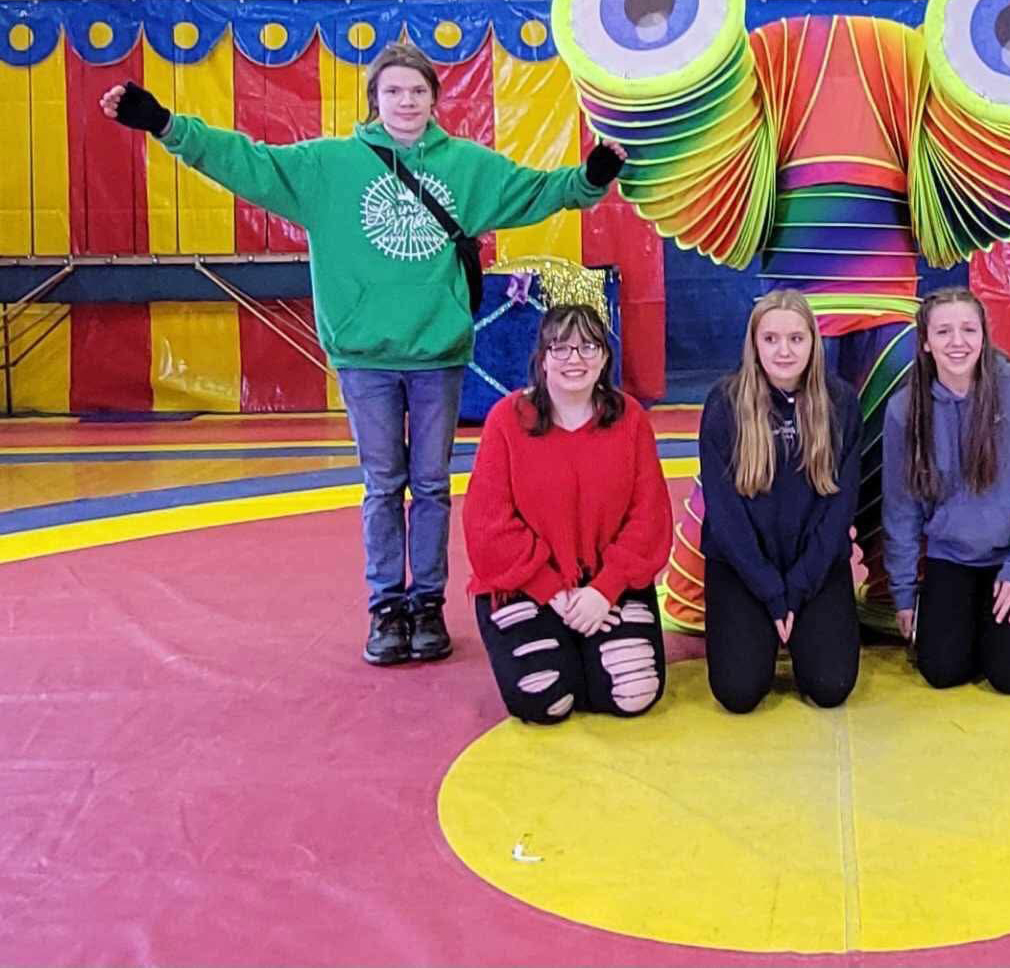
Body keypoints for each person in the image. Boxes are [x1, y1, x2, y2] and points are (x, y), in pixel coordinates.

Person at [99, 42, 628, 667]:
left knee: (430, 485)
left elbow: (538, 191)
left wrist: (592, 176)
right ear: (374, 100)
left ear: (435, 99)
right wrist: (166, 125)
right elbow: (244, 162)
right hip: (365, 356)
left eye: (418, 91)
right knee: (383, 485)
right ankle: (387, 606)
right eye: (394, 91)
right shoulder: (329, 167)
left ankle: (427, 603)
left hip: (437, 353)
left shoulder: (467, 168)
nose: (407, 102)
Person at [462, 303, 671, 723]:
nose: (575, 359)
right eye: (561, 348)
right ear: (541, 359)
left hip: (607, 587)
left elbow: (649, 517)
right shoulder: (507, 420)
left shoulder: (630, 418)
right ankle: (564, 645)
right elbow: (488, 524)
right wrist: (553, 591)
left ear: (605, 358)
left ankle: (581, 650)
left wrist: (604, 588)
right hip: (524, 584)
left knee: (631, 694)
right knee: (544, 702)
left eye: (588, 347)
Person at [882, 288, 1010, 695]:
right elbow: (901, 509)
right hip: (951, 558)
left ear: (984, 335)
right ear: (925, 341)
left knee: (1008, 675)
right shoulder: (905, 410)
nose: (957, 342)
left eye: (968, 329)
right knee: (942, 671)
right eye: (943, 331)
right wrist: (905, 592)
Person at [698, 289, 863, 714]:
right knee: (738, 692)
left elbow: (838, 510)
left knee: (831, 686)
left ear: (814, 342)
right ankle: (762, 630)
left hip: (814, 564)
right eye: (771, 339)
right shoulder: (725, 403)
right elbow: (725, 517)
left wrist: (799, 586)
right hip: (744, 565)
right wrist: (772, 592)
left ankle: (798, 630)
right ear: (754, 344)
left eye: (796, 339)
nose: (784, 351)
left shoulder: (841, 402)